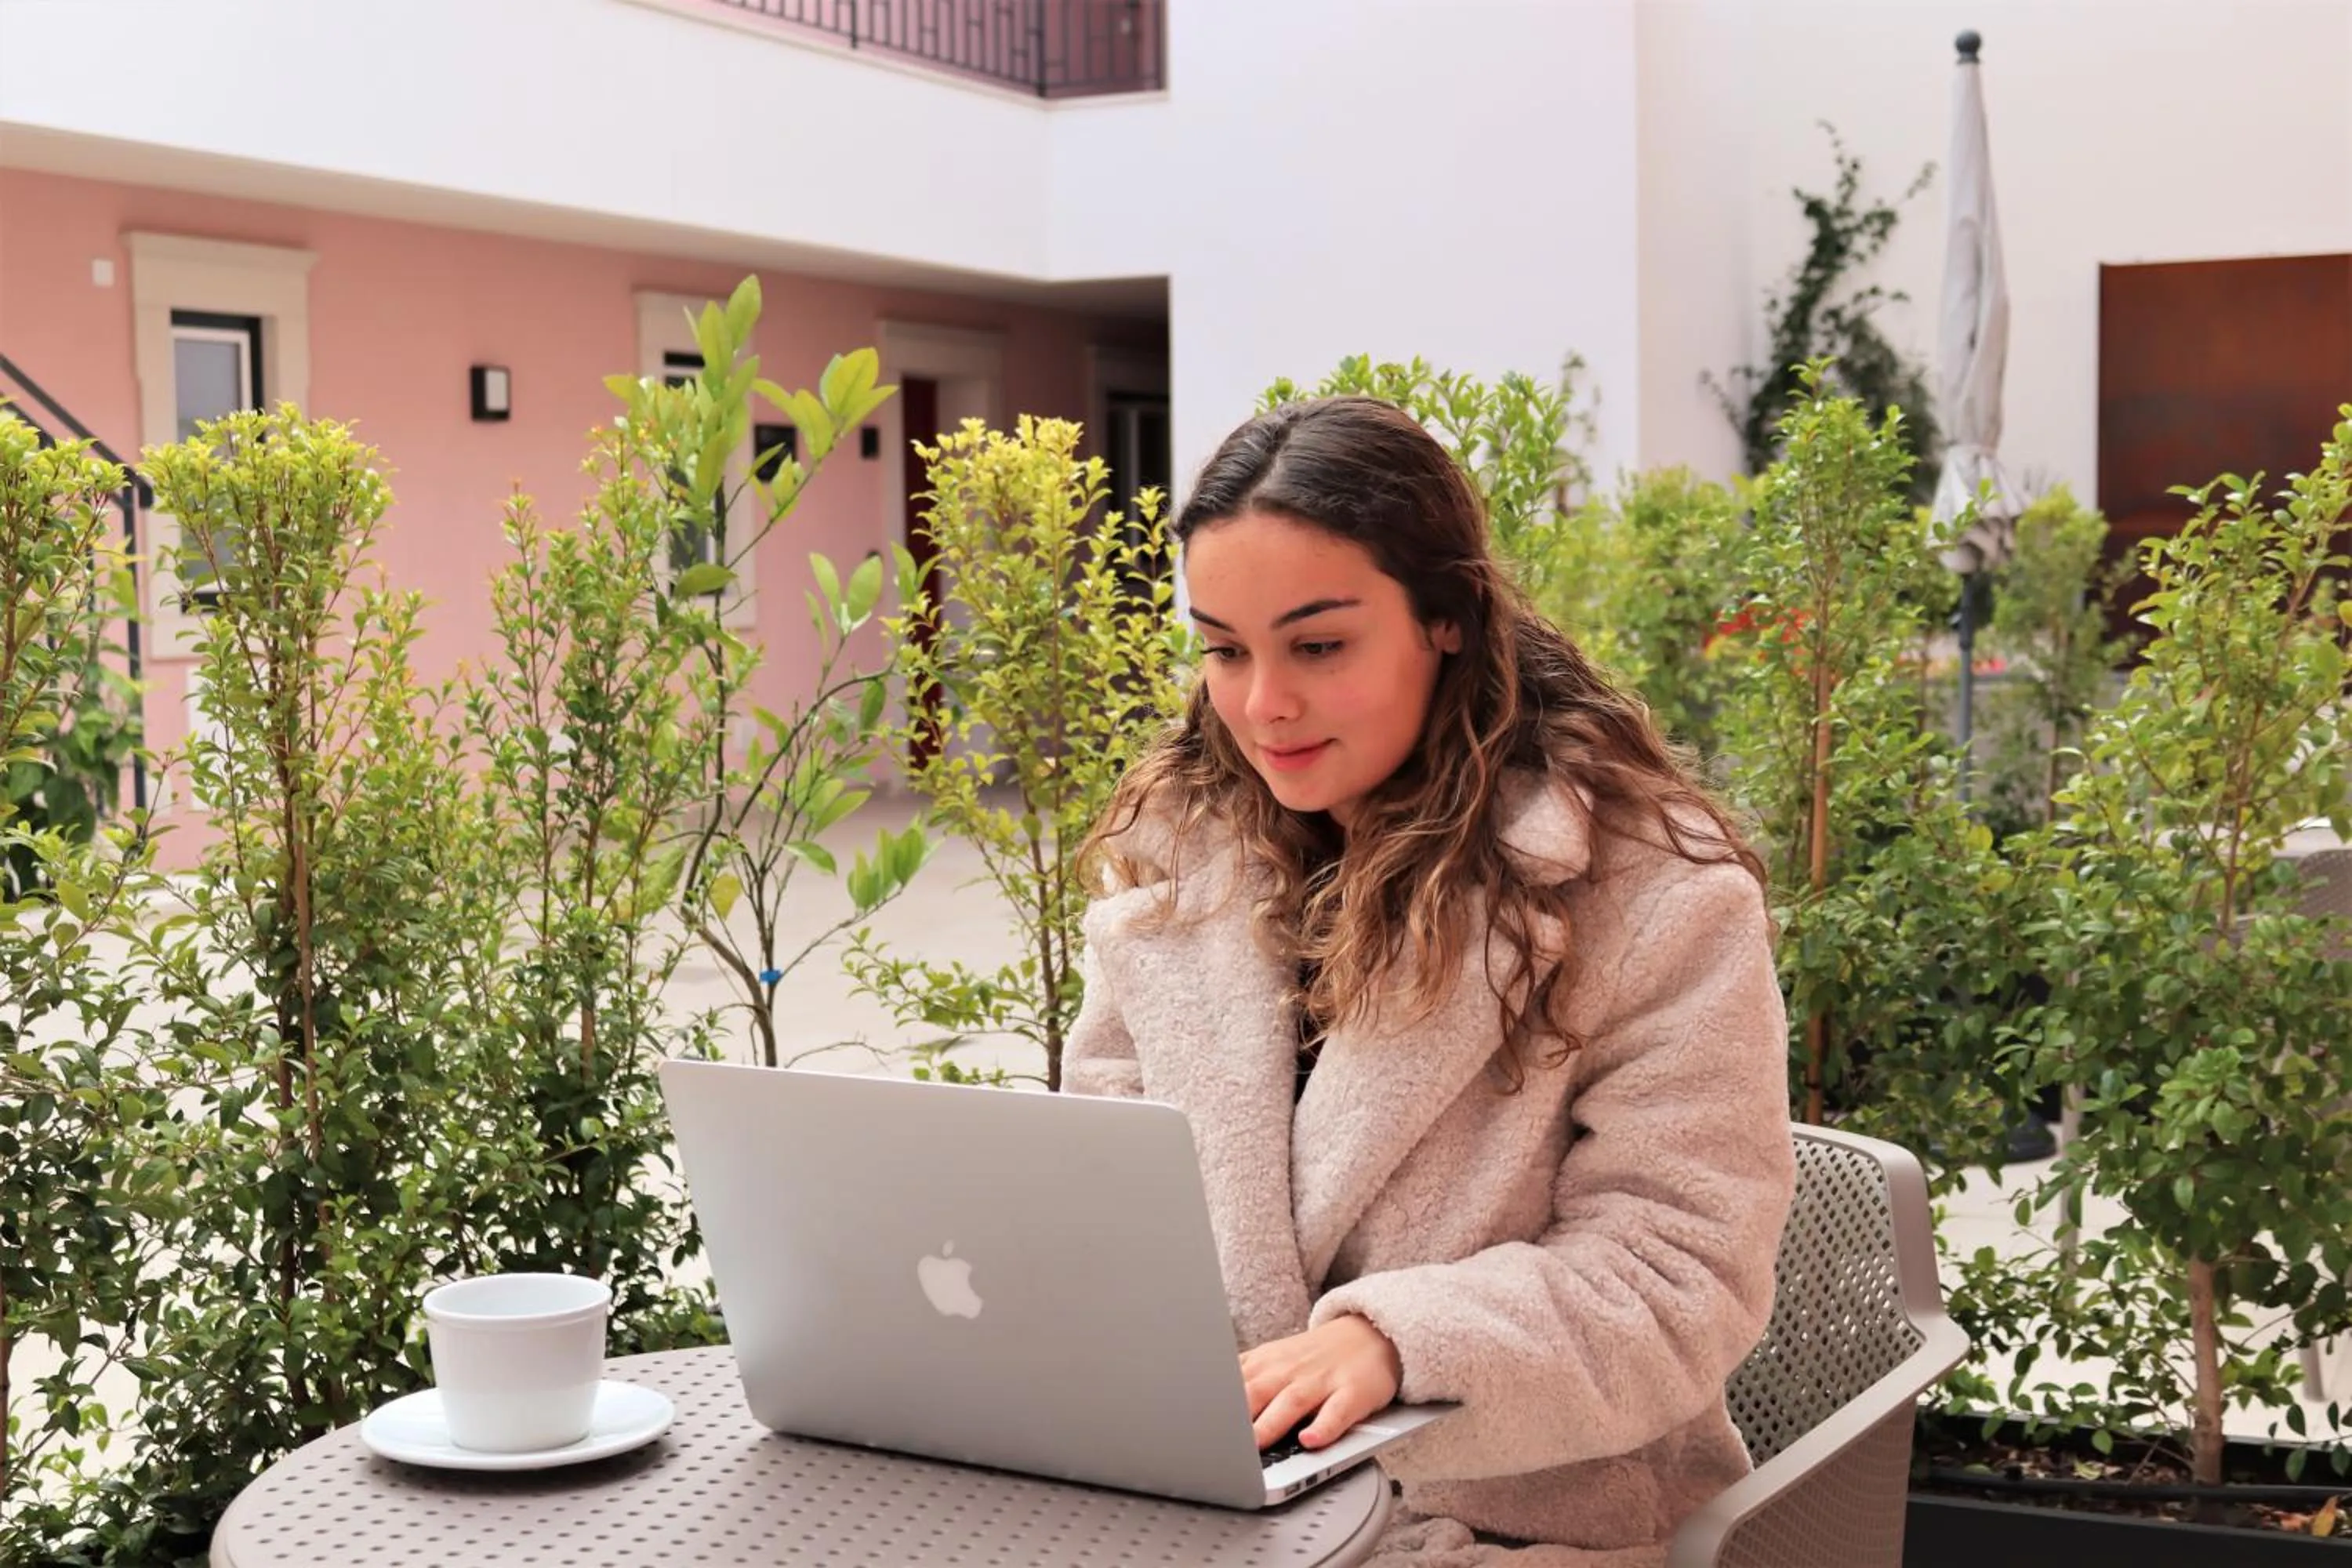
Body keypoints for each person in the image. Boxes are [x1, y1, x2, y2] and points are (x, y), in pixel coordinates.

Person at [1065, 396, 1795, 1565]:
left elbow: (1680, 1272)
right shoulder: (1182, 867)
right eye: (1223, 648)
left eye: (1317, 645)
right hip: (1206, 1500)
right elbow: (1101, 1185)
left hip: (1514, 1524)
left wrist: (1400, 1344)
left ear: (1446, 619)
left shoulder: (1651, 894)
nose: (1263, 705)